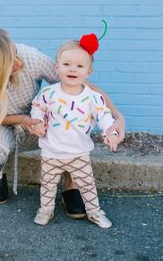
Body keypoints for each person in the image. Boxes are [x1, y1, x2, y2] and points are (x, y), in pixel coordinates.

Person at [0, 23, 125, 218]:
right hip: (1, 124)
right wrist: (22, 119)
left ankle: (71, 184)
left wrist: (118, 117)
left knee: (71, 116)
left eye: (15, 52)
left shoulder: (30, 57)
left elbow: (78, 87)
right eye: (8, 63)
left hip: (41, 125)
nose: (17, 62)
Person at [31, 31, 120, 228]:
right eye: (66, 64)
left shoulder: (92, 97)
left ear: (88, 72)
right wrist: (37, 121)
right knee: (47, 185)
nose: (73, 69)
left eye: (80, 66)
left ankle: (95, 212)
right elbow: (37, 108)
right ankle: (45, 209)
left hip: (79, 152)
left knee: (87, 185)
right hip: (51, 151)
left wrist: (110, 132)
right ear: (56, 67)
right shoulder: (48, 93)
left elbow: (104, 116)